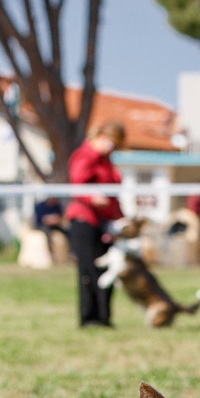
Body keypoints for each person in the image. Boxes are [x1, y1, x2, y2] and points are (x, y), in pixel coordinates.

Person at [65, 122, 125, 328]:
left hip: (106, 224)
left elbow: (114, 193)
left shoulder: (107, 162)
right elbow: (77, 185)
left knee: (107, 270)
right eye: (111, 143)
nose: (112, 148)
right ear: (99, 135)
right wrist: (92, 197)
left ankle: (104, 318)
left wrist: (120, 220)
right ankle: (89, 318)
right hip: (85, 221)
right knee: (89, 271)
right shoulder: (84, 155)